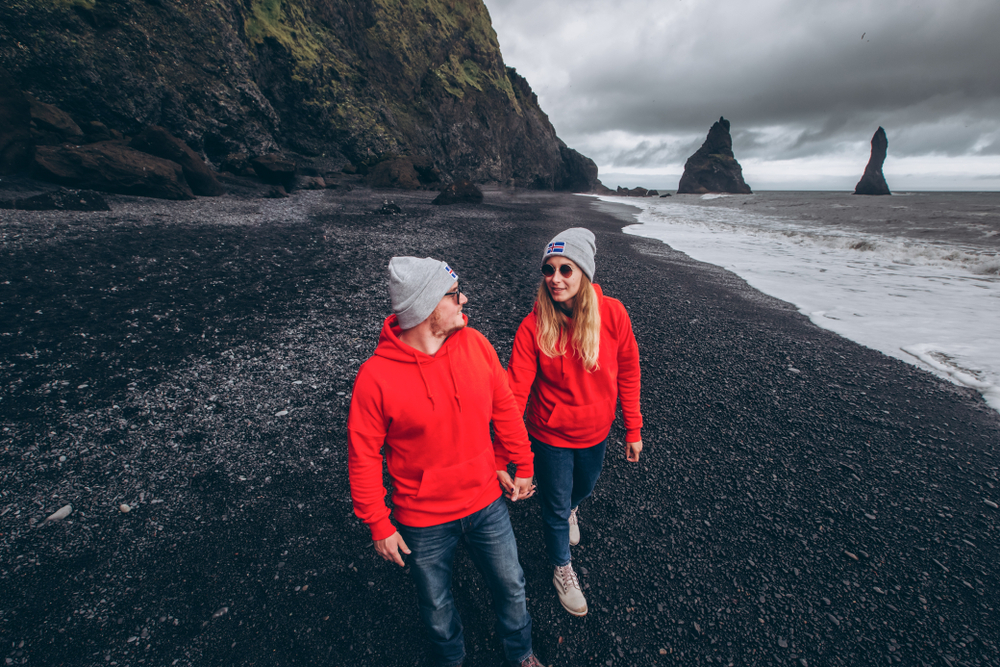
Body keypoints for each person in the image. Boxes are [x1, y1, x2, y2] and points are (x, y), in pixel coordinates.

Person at [347, 256, 544, 667]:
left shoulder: (477, 345)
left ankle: (521, 653)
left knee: (511, 585)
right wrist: (378, 523)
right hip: (422, 518)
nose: (464, 300)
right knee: (436, 606)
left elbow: (505, 408)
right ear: (426, 306)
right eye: (454, 295)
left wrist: (522, 463)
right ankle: (450, 660)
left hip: (486, 502)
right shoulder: (375, 377)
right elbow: (364, 454)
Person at [499, 228, 643, 617]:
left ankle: (571, 508)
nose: (555, 278)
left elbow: (629, 369)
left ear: (584, 273)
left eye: (566, 268)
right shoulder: (533, 326)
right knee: (555, 504)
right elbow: (513, 392)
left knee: (584, 486)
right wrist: (504, 455)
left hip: (597, 430)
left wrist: (633, 428)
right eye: (548, 269)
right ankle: (562, 567)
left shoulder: (613, 313)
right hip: (550, 434)